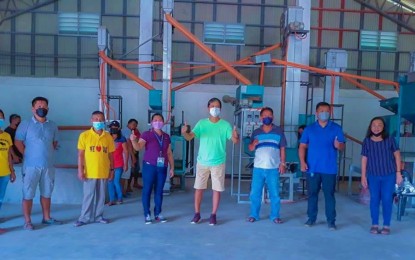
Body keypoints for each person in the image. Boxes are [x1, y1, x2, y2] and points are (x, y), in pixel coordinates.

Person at [182, 97, 239, 226]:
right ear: (208, 108)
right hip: (202, 162)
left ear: (220, 109)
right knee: (199, 188)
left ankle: (213, 215)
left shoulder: (225, 125)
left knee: (216, 189)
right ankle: (197, 214)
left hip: (218, 162)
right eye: (212, 106)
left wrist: (236, 136)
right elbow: (189, 137)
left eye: (217, 106)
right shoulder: (202, 123)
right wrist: (185, 132)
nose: (214, 108)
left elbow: (235, 141)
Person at [15, 97, 60, 231]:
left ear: (48, 109)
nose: (42, 108)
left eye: (44, 105)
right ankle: (27, 221)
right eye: (39, 105)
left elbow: (54, 143)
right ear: (33, 109)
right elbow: (18, 142)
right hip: (30, 166)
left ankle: (46, 218)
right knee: (28, 194)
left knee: (47, 193)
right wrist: (28, 154)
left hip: (48, 166)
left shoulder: (52, 125)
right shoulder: (25, 124)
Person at [298, 101, 345, 230]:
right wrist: (302, 162)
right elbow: (302, 146)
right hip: (312, 167)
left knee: (329, 195)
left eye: (326, 111)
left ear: (329, 113)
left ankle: (331, 221)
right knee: (312, 194)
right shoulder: (309, 129)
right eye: (321, 111)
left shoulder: (336, 128)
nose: (324, 113)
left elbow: (342, 145)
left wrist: (339, 145)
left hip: (329, 168)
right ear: (316, 113)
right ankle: (311, 218)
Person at [361, 116, 402, 235]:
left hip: (388, 175)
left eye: (379, 125)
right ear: (370, 127)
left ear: (383, 127)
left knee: (386, 199)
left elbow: (397, 156)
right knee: (374, 199)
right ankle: (374, 224)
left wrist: (398, 173)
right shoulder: (367, 141)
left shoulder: (389, 139)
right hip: (373, 175)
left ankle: (386, 225)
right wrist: (363, 176)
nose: (376, 127)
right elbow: (364, 159)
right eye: (374, 125)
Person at [130, 113, 174, 224]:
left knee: (159, 191)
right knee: (147, 190)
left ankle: (158, 213)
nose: (157, 122)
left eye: (160, 120)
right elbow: (138, 147)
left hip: (162, 167)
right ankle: (147, 214)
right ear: (151, 122)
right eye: (155, 120)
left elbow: (169, 153)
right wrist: (133, 140)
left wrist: (172, 167)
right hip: (149, 166)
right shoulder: (146, 134)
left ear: (163, 123)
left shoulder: (166, 136)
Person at [74, 111, 115, 227]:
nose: (98, 121)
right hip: (89, 172)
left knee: (101, 196)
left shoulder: (108, 137)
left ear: (104, 121)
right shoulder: (84, 135)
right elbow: (80, 155)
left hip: (103, 171)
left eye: (101, 119)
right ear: (91, 120)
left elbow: (111, 155)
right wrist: (80, 170)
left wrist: (112, 170)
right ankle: (84, 218)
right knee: (88, 195)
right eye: (96, 119)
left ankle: (98, 216)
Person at [247, 107, 287, 224]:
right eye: (264, 115)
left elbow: (283, 149)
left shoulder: (278, 131)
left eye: (269, 115)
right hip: (258, 168)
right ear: (260, 118)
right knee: (255, 193)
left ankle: (275, 216)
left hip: (273, 168)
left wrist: (283, 163)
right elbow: (250, 148)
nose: (267, 117)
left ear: (273, 117)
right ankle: (254, 215)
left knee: (275, 193)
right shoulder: (256, 132)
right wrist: (253, 144)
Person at [0, 109, 17, 234]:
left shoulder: (6, 136)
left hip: (5, 173)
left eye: (1, 118)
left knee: (0, 198)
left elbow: (9, 155)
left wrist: (12, 171)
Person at [107, 122, 128, 206]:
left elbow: (126, 151)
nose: (113, 135)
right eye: (112, 134)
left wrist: (126, 164)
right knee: (110, 181)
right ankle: (112, 200)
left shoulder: (122, 139)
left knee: (116, 181)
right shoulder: (107, 139)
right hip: (109, 164)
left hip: (119, 164)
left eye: (115, 134)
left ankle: (120, 198)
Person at [122, 119, 142, 192]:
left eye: (135, 125)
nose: (134, 126)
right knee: (127, 172)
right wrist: (133, 156)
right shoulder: (126, 131)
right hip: (128, 153)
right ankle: (124, 190)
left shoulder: (133, 131)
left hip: (132, 152)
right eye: (133, 124)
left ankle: (125, 189)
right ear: (129, 123)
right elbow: (129, 144)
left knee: (133, 170)